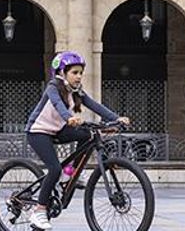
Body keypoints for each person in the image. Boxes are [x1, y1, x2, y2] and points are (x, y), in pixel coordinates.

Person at [25, 51, 130, 230]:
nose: (79, 76)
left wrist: (116, 118)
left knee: (87, 134)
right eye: (74, 72)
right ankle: (39, 210)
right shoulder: (53, 86)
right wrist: (68, 118)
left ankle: (71, 172)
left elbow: (95, 105)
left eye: (81, 72)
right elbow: (57, 104)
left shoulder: (76, 92)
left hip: (57, 130)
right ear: (61, 73)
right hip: (38, 132)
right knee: (53, 168)